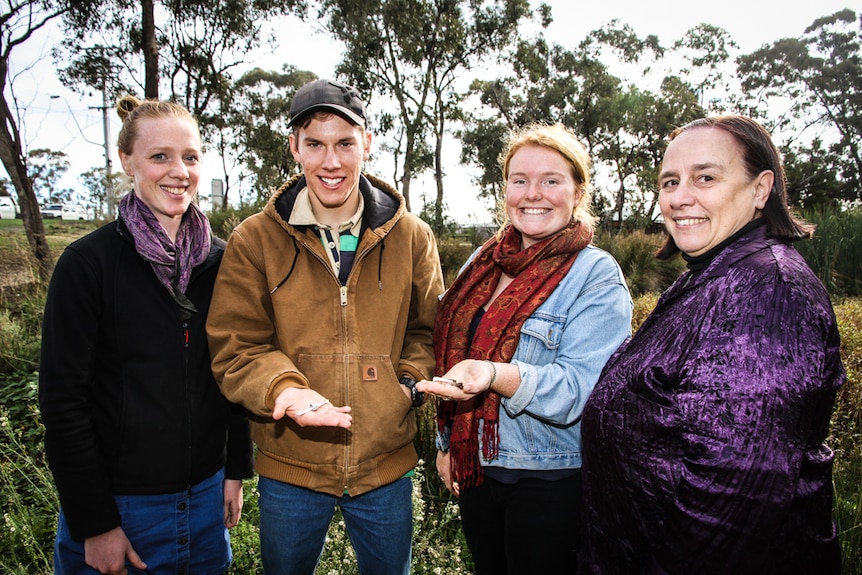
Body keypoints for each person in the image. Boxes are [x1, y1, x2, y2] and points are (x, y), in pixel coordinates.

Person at [579, 115, 844, 574]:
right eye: (670, 181)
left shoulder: (768, 291)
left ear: (761, 190)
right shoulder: (713, 275)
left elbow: (732, 502)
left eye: (706, 177)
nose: (680, 197)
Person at [206, 78, 444, 575]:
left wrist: (405, 386)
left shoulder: (412, 237)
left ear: (368, 145)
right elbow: (237, 344)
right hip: (291, 468)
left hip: (386, 465)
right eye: (314, 144)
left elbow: (428, 330)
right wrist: (284, 392)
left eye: (344, 144)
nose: (330, 162)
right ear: (294, 147)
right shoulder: (255, 239)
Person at [39, 95, 254, 575]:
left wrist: (235, 469)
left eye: (191, 157)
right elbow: (62, 403)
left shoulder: (223, 263)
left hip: (206, 501)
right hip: (121, 509)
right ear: (126, 161)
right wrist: (95, 523)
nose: (179, 171)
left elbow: (234, 367)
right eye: (160, 156)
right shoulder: (86, 265)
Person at [416, 123, 633, 574]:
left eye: (551, 180)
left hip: (549, 478)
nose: (533, 194)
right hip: (475, 467)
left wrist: (498, 376)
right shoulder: (484, 259)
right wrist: (446, 445)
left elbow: (583, 388)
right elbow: (453, 361)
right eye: (520, 180)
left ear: (577, 192)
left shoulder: (595, 275)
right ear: (505, 190)